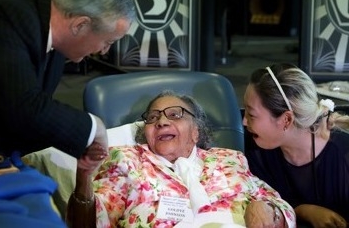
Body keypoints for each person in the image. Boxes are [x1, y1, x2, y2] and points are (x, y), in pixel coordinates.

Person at [0, 0, 135, 158]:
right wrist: (94, 127)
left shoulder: (47, 18)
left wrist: (76, 147)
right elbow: (24, 108)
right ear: (80, 24)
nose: (103, 51)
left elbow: (22, 109)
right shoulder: (6, 14)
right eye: (108, 41)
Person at [66, 90, 296, 228]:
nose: (162, 122)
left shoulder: (230, 159)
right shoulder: (126, 160)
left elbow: (277, 205)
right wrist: (84, 177)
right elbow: (88, 223)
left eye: (174, 115)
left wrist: (266, 209)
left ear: (196, 131)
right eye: (153, 118)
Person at [243, 63, 349, 228]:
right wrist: (303, 210)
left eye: (251, 114)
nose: (244, 121)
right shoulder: (256, 147)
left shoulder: (343, 157)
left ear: (286, 119)